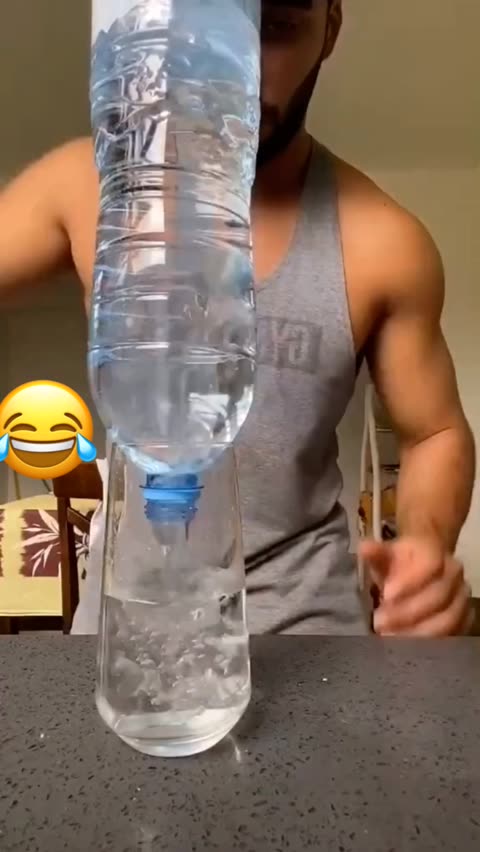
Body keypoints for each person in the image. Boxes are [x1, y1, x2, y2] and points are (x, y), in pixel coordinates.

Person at [0, 0, 475, 636]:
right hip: (129, 623)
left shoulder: (382, 241)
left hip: (311, 634)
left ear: (329, 30)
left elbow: (435, 432)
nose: (236, 65)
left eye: (276, 26)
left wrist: (425, 545)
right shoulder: (87, 186)